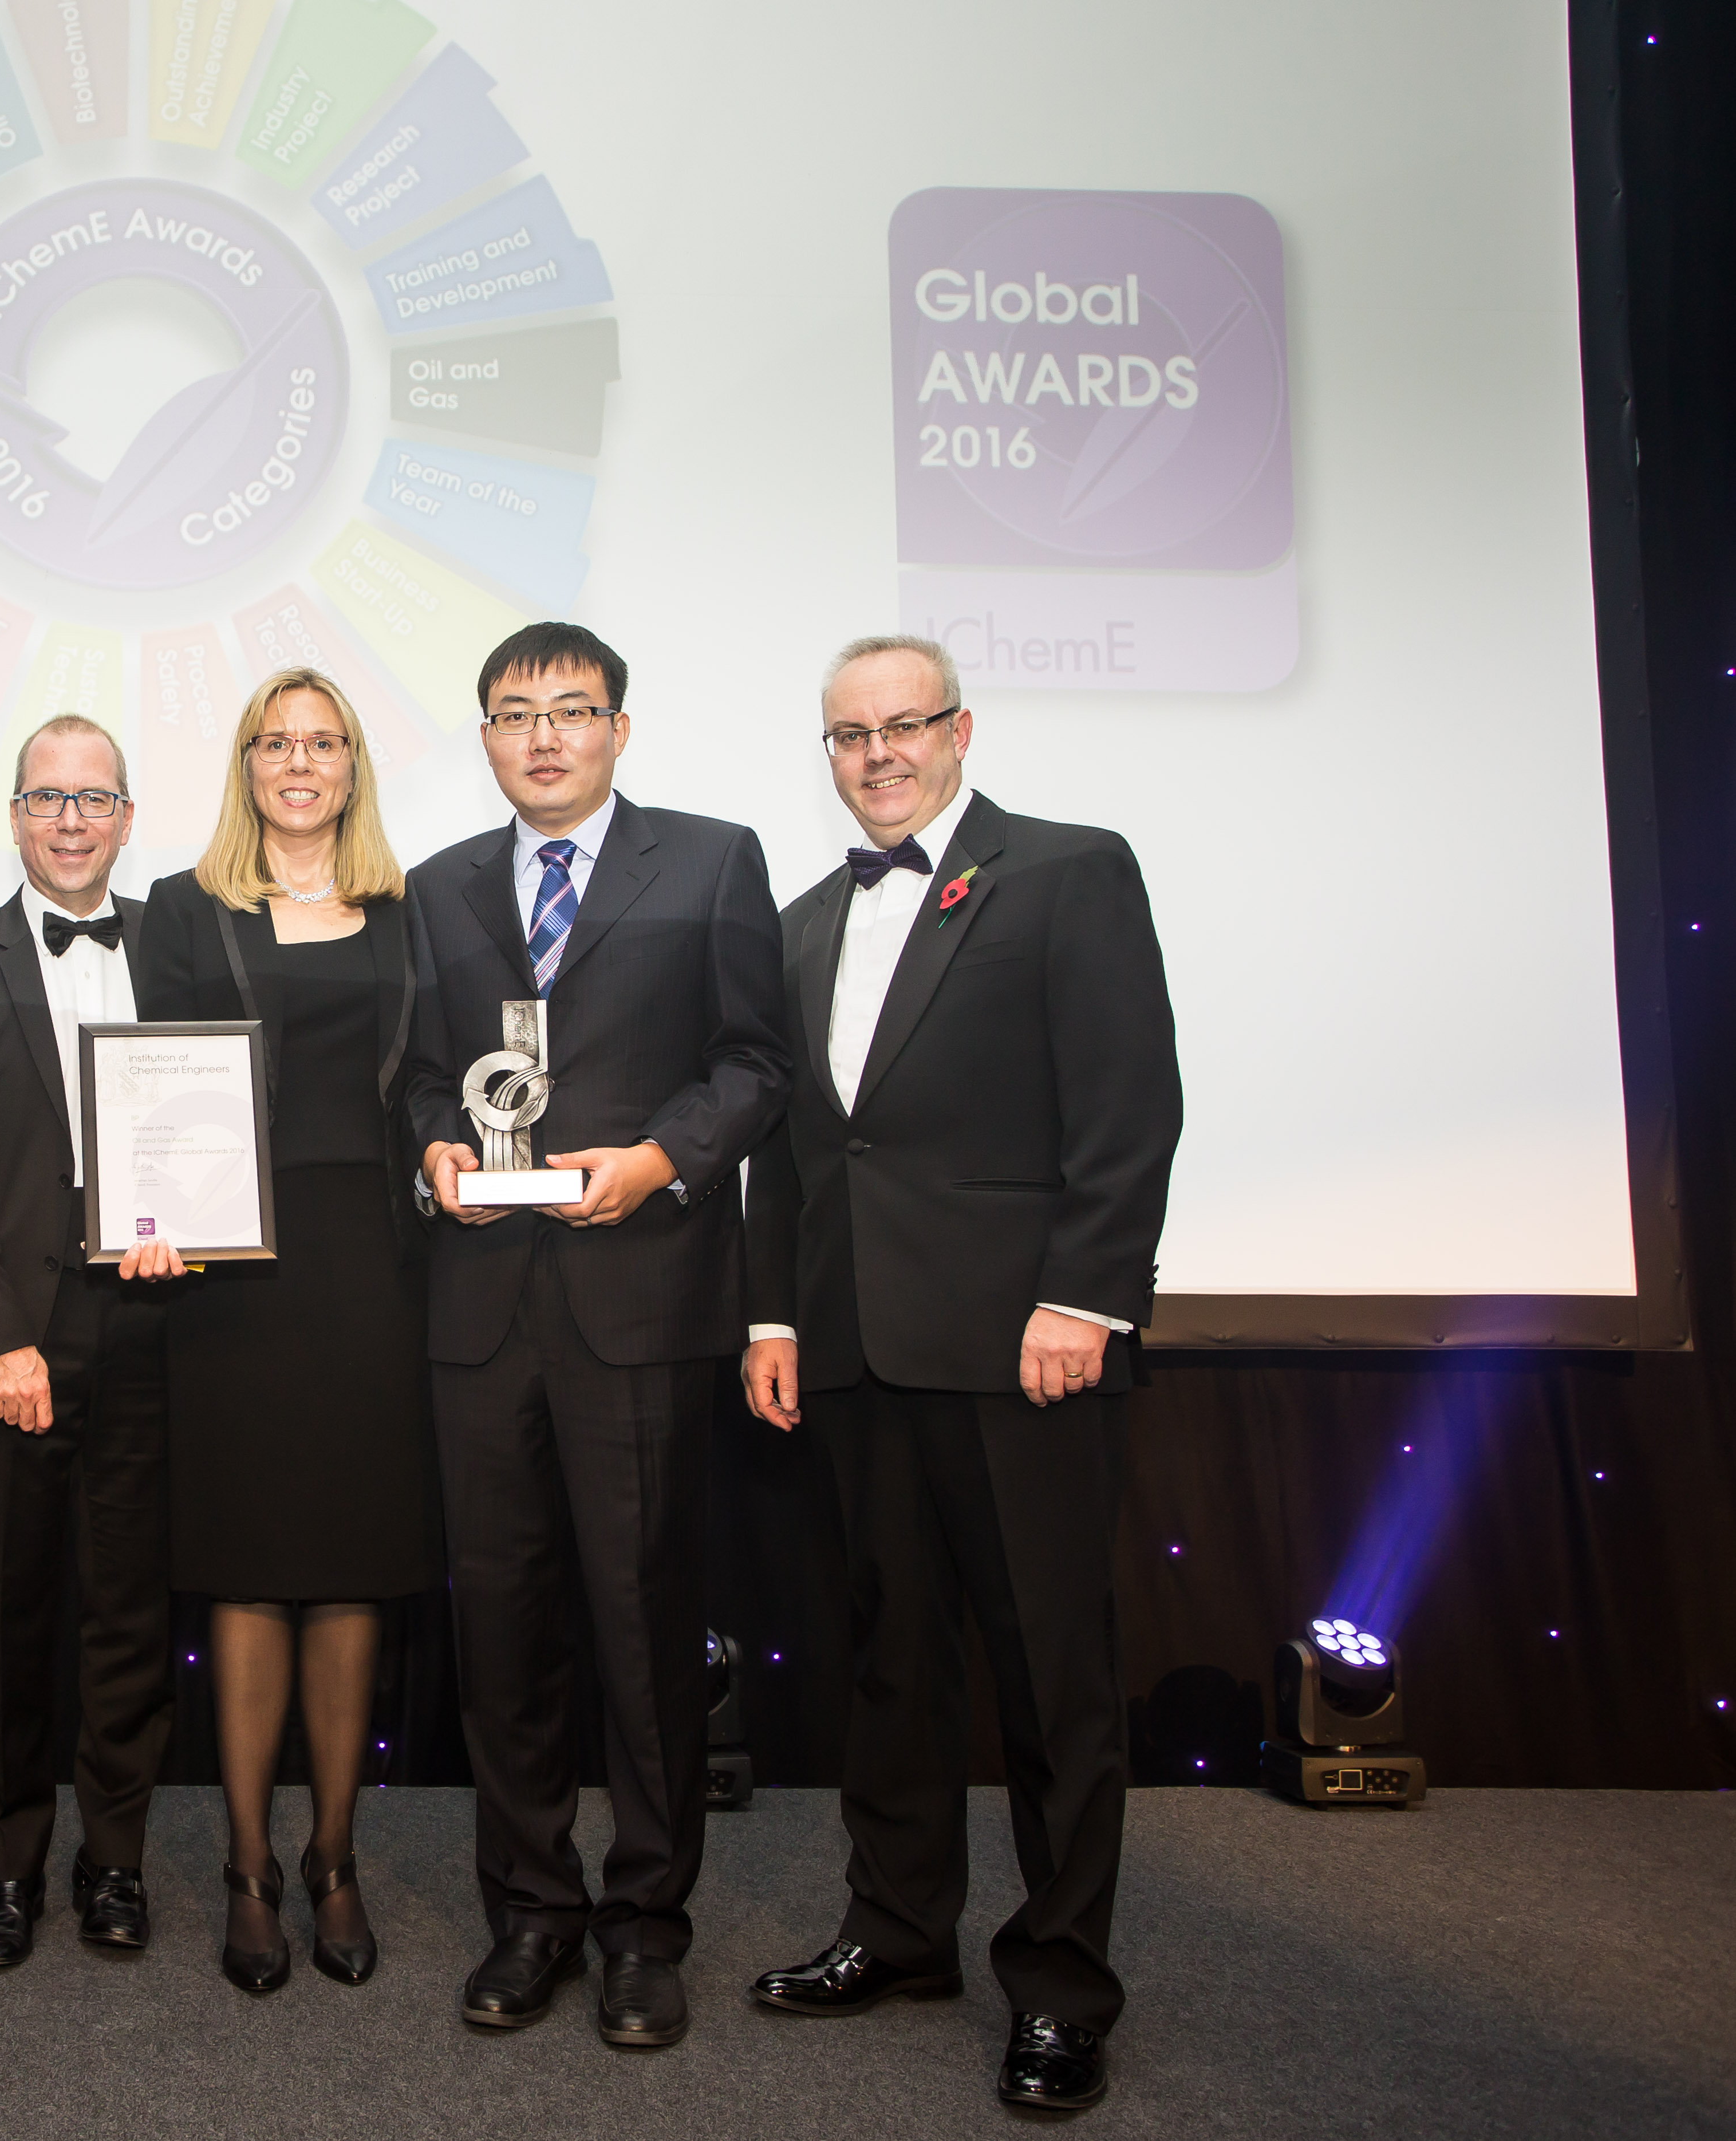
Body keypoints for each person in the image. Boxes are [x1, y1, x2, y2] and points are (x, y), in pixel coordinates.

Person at [740, 634, 1181, 2114]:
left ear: (957, 727)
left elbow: (1127, 1108)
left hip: (1021, 1355)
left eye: (901, 725)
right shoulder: (803, 923)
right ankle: (897, 1927)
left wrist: (1082, 1298)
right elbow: (797, 1160)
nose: (875, 754)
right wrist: (771, 1320)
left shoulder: (1065, 872)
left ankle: (1059, 1982)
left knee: (1049, 1681)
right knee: (890, 1664)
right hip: (857, 1356)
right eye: (847, 735)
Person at [404, 621, 791, 2049]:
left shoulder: (709, 858)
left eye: (572, 711)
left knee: (638, 1625)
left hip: (639, 1298)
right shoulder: (439, 887)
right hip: (478, 1307)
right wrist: (438, 1149)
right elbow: (421, 1078)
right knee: (499, 1630)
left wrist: (660, 1160)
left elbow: (759, 1062)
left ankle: (643, 1922)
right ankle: (529, 1910)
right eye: (515, 714)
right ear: (488, 735)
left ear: (621, 727)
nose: (544, 736)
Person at [123, 667, 437, 1994]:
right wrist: (141, 1208)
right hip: (229, 1277)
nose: (299, 761)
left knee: (352, 1571)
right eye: (275, 741)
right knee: (248, 1573)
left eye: (323, 742)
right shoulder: (183, 912)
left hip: (372, 1268)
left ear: (353, 764)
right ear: (246, 762)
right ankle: (249, 1865)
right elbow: (136, 1074)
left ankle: (336, 1854)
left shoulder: (416, 912)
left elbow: (443, 1076)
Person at [0, 714, 173, 1968]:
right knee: (5, 1620)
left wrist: (194, 1228)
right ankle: (6, 1868)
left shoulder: (179, 948)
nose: (70, 820)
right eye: (47, 798)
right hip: (7, 1347)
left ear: (125, 817)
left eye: (94, 798)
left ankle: (114, 1861)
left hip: (155, 1335)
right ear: (13, 816)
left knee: (126, 1615)